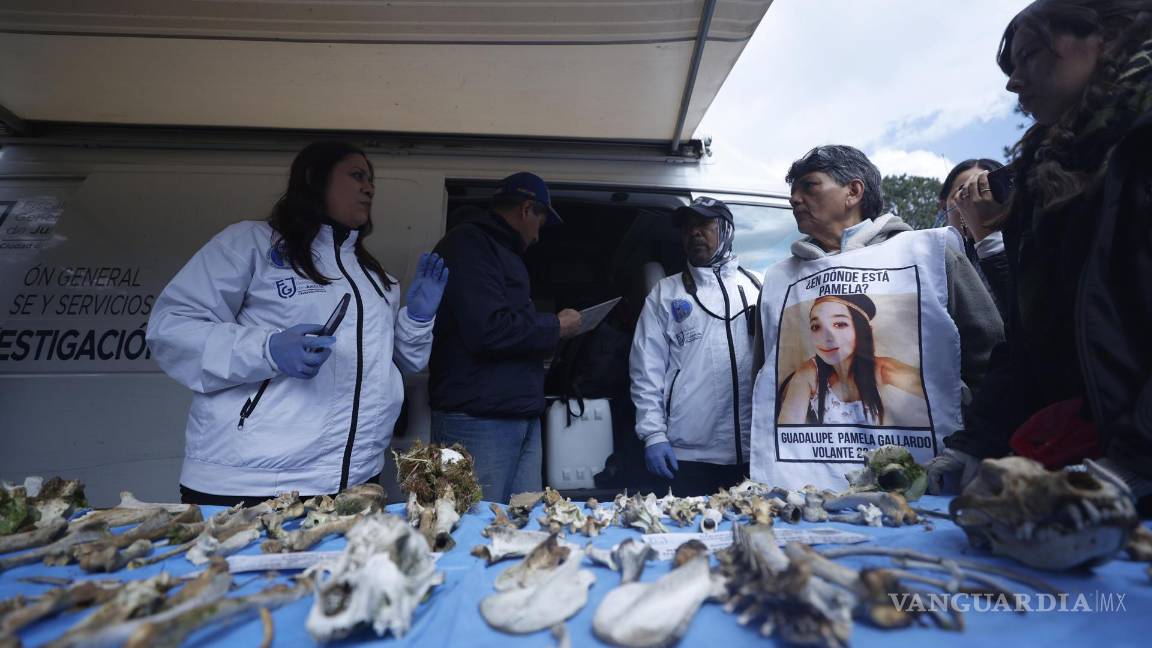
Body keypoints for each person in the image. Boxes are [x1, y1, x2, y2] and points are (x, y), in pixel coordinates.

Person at [927, 0, 1152, 507]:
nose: (1013, 83)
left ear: (1107, 38)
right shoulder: (1042, 177)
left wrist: (1137, 463)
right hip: (1082, 463)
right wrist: (978, 444)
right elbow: (1027, 341)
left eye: (1029, 56)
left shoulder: (1141, 142)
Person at [147, 141, 448, 504]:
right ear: (314, 178)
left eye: (371, 180)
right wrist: (268, 349)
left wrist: (417, 318)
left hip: (356, 478)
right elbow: (171, 328)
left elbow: (401, 364)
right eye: (357, 175)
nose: (369, 187)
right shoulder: (251, 244)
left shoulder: (376, 277)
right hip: (251, 483)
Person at [749, 145, 1003, 491]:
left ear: (853, 191)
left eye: (809, 186)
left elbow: (988, 353)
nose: (795, 198)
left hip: (923, 488)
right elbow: (762, 377)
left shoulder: (928, 253)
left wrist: (982, 443)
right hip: (805, 494)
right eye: (792, 191)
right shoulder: (781, 279)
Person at [428, 172, 582, 504]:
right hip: (477, 420)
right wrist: (555, 327)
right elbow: (488, 330)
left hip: (517, 413)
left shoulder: (503, 252)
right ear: (527, 209)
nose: (539, 236)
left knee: (521, 525)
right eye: (541, 221)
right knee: (469, 525)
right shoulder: (470, 245)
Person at [630, 197, 762, 496]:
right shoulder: (665, 293)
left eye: (704, 224)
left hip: (754, 451)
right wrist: (653, 435)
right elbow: (645, 370)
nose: (694, 233)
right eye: (688, 228)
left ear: (726, 229)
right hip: (689, 455)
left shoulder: (757, 288)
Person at [777, 294, 926, 426]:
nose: (827, 337)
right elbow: (788, 434)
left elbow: (937, 390)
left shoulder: (880, 369)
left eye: (840, 324)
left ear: (864, 330)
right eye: (816, 327)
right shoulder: (808, 374)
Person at [937, 159, 1011, 318]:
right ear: (943, 206)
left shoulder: (1027, 250)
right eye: (964, 193)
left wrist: (988, 237)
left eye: (985, 190)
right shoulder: (932, 261)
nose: (975, 201)